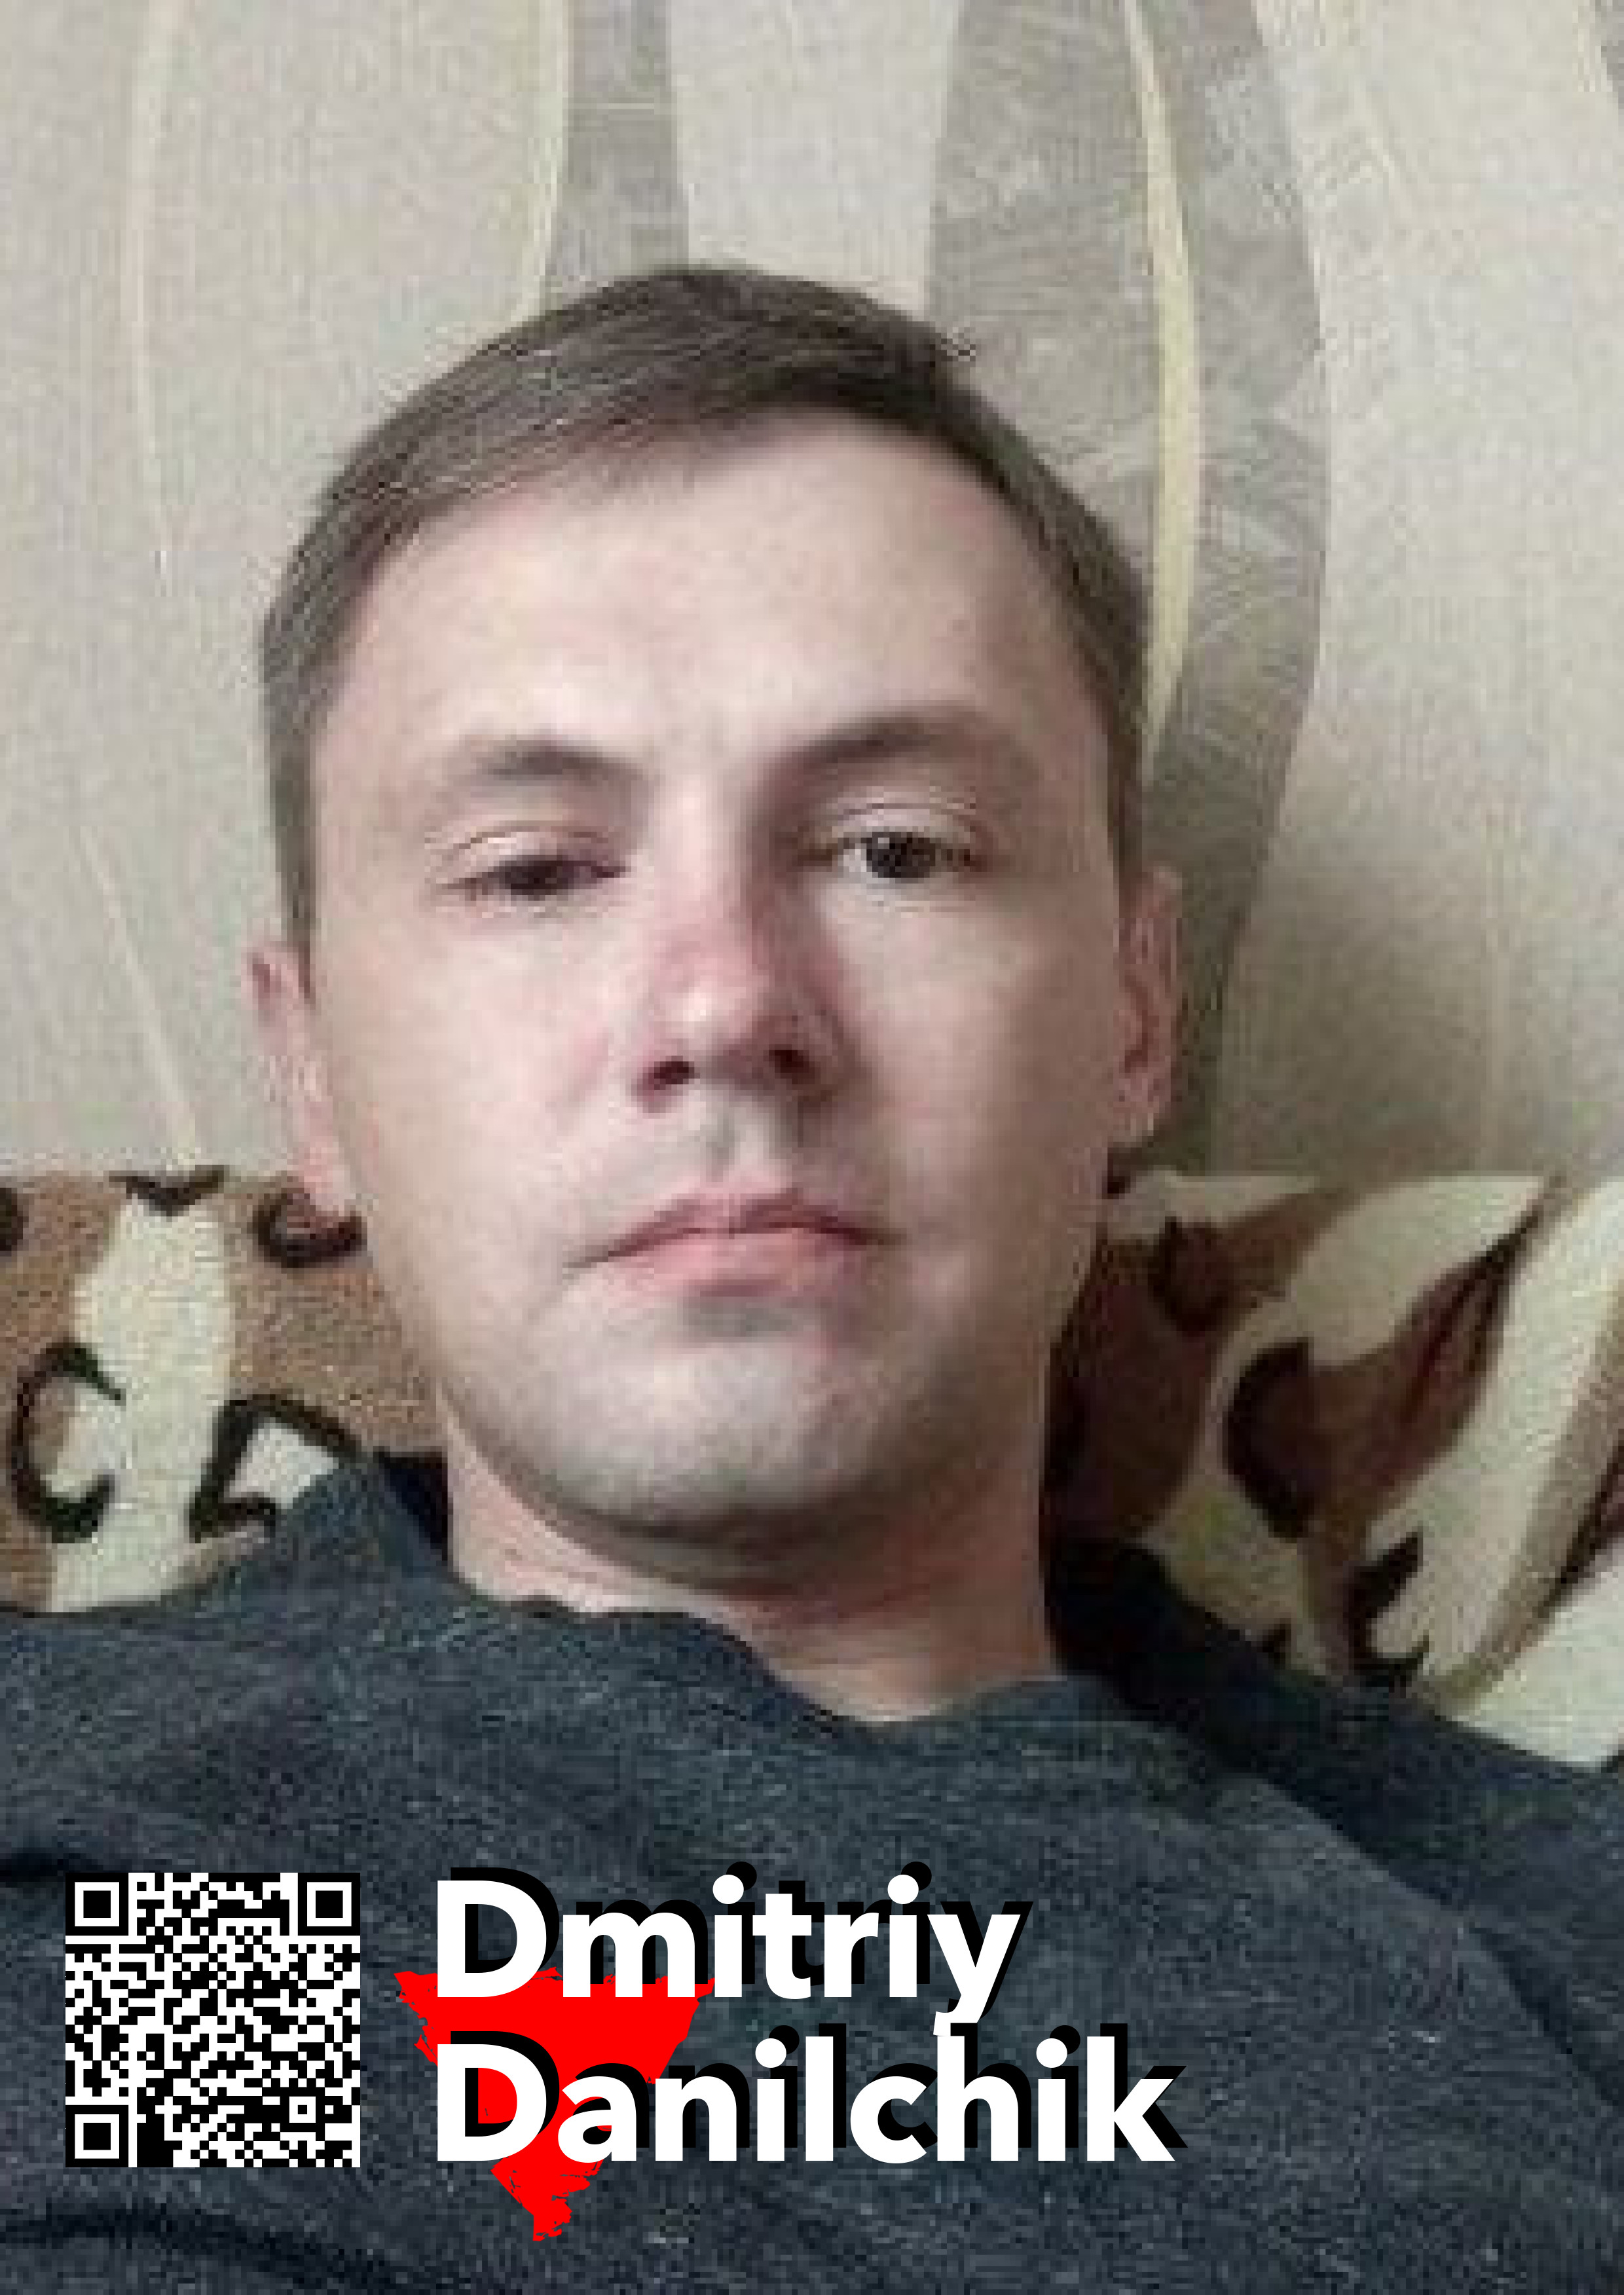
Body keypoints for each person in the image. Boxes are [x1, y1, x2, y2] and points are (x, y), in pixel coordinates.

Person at [3, 264, 1620, 2290]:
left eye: (896, 848)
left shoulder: (1545, 1961)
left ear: (1134, 1009)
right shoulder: (170, 1859)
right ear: (313, 1063)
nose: (725, 1006)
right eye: (535, 868)